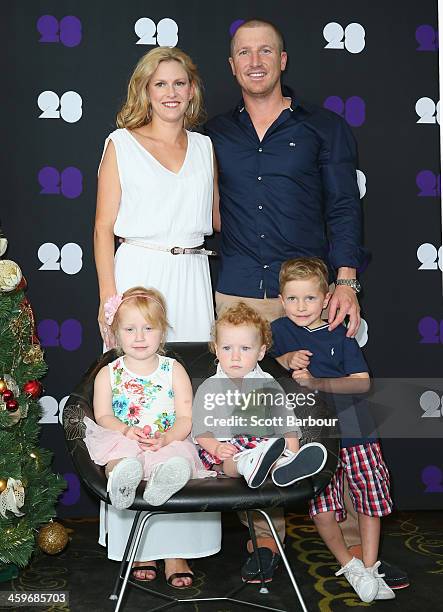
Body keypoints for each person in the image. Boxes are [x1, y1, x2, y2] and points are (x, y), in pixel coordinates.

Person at [206, 18, 408, 590]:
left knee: (330, 415)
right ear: (232, 65)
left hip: (309, 296)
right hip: (240, 291)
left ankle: (352, 550)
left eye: (265, 50)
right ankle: (266, 540)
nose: (255, 60)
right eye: (244, 52)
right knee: (253, 420)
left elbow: (345, 207)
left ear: (284, 59)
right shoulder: (213, 134)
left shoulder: (325, 128)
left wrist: (346, 282)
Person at [93, 47, 221, 586]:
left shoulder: (207, 147)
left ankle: (179, 548)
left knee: (184, 404)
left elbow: (212, 219)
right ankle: (137, 539)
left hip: (192, 278)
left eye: (180, 83)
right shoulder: (120, 144)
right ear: (144, 90)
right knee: (136, 404)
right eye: (159, 83)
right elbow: (102, 228)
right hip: (139, 279)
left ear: (193, 90)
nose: (170, 92)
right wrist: (110, 300)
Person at [271, 258, 394, 601]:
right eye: (292, 299)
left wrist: (316, 382)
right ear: (282, 299)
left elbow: (361, 383)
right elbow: (262, 368)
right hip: (316, 435)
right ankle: (349, 566)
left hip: (356, 431)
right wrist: (284, 360)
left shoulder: (340, 332)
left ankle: (369, 566)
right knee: (322, 508)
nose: (300, 307)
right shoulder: (279, 331)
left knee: (369, 498)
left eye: (309, 299)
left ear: (325, 299)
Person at [194, 302, 327, 581]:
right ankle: (254, 464)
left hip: (263, 445)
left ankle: (285, 467)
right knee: (234, 461)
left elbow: (285, 421)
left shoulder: (267, 383)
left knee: (273, 448)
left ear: (261, 351)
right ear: (216, 349)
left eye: (245, 349)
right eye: (227, 348)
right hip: (224, 452)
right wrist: (216, 447)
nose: (235, 357)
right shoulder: (210, 387)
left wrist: (292, 450)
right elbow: (201, 431)